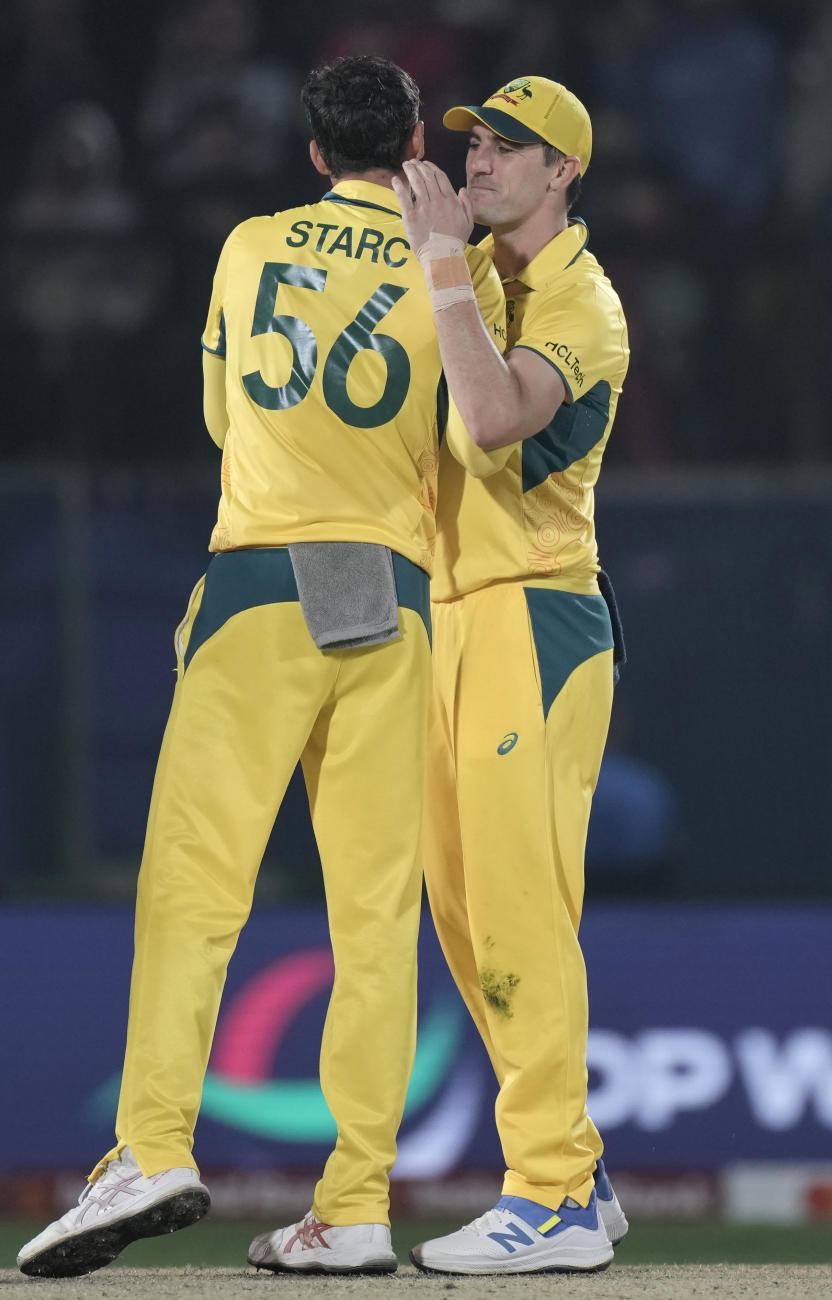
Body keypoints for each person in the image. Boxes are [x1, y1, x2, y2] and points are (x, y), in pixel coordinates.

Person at [16, 54, 505, 1279]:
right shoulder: (459, 267)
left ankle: (154, 1143)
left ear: (311, 155)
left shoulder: (248, 246)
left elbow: (224, 418)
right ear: (412, 152)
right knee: (377, 919)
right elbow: (471, 435)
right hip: (392, 596)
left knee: (193, 883)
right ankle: (352, 1207)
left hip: (260, 585)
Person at [390, 76, 631, 1275]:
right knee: (463, 915)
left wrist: (439, 261)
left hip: (534, 622)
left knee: (523, 915)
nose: (480, 162)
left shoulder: (584, 305)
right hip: (447, 622)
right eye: (476, 141)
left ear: (563, 172)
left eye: (509, 149)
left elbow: (490, 419)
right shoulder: (484, 273)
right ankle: (571, 1164)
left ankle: (554, 1193)